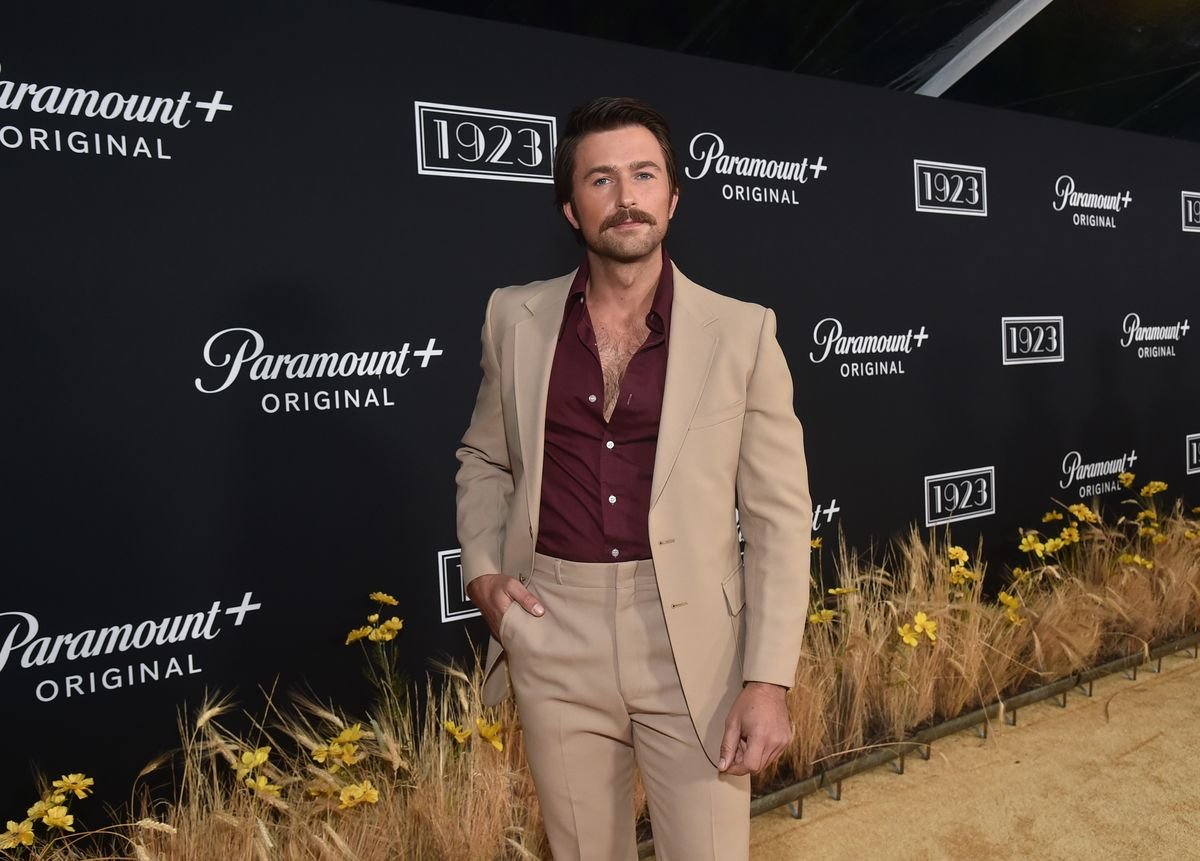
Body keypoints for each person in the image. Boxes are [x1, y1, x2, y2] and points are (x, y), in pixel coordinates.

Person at [455, 96, 811, 861]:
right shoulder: (512, 318)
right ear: (570, 207)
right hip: (553, 626)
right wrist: (484, 573)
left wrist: (769, 679)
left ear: (673, 197)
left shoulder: (743, 331)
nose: (626, 198)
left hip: (693, 646)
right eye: (601, 180)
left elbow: (781, 520)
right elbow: (484, 458)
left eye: (644, 175)